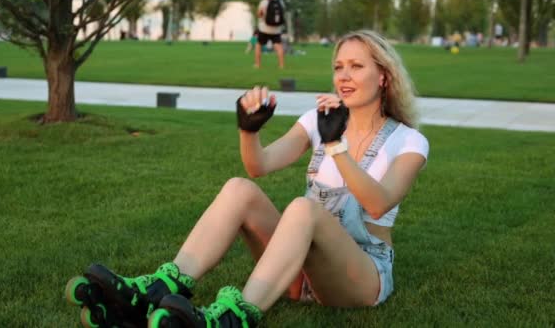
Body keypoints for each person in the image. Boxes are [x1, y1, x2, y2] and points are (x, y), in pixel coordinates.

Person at [65, 30, 429, 328]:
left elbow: (379, 202)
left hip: (359, 276)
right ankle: (159, 289)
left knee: (304, 209)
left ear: (382, 76)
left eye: (356, 66)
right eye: (338, 67)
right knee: (239, 188)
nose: (343, 76)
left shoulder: (408, 141)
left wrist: (335, 145)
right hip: (297, 271)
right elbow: (259, 165)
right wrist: (248, 130)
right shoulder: (318, 119)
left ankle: (234, 318)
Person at [254, 0, 286, 69]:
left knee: (258, 45)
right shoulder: (281, 2)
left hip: (264, 28)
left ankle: (257, 65)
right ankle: (281, 65)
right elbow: (282, 14)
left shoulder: (264, 1)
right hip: (276, 29)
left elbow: (259, 14)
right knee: (278, 47)